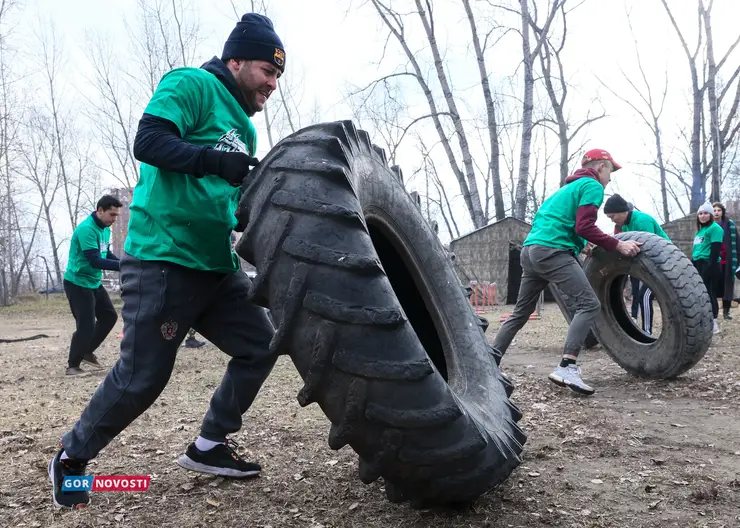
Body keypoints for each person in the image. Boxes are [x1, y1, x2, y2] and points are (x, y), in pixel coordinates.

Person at [48, 12, 285, 509]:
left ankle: (209, 445)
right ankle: (71, 459)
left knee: (262, 344)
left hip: (217, 269)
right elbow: (149, 140)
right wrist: (211, 160)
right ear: (236, 60)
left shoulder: (245, 128)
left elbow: (221, 199)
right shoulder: (192, 84)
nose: (272, 84)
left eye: (279, 76)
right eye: (267, 70)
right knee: (143, 378)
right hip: (164, 260)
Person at [492, 149, 642, 395]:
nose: (610, 178)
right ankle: (567, 366)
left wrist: (584, 246)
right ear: (600, 167)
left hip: (530, 252)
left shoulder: (562, 191)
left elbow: (566, 226)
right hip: (553, 251)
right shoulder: (592, 186)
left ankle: (490, 363)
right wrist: (618, 244)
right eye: (610, 171)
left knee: (520, 313)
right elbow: (584, 226)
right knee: (589, 305)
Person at [62, 195, 123, 376]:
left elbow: (105, 253)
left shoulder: (104, 228)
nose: (114, 219)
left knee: (109, 316)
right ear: (100, 211)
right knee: (86, 325)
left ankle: (87, 351)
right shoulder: (87, 229)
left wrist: (123, 263)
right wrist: (125, 266)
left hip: (93, 282)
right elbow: (95, 260)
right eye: (112, 215)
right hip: (77, 282)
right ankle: (73, 366)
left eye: (117, 216)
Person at [604, 194, 670, 335]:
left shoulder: (642, 221)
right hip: (653, 264)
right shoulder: (626, 225)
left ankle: (647, 332)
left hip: (664, 261)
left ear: (622, 211)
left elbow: (650, 249)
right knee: (640, 295)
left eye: (612, 216)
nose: (612, 221)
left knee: (644, 296)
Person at [693, 202, 724, 334]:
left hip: (710, 264)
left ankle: (714, 323)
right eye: (700, 213)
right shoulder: (700, 231)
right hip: (698, 263)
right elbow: (696, 250)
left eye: (705, 213)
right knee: (699, 294)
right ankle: (703, 321)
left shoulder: (715, 229)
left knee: (709, 293)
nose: (702, 215)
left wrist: (708, 270)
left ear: (711, 215)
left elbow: (715, 252)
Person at [712, 202, 738, 320]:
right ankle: (713, 312)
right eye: (714, 210)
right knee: (714, 286)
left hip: (727, 260)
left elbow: (737, 242)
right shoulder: (709, 226)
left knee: (728, 286)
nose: (716, 213)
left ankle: (726, 312)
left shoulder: (729, 225)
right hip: (714, 260)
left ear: (722, 212)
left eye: (719, 210)